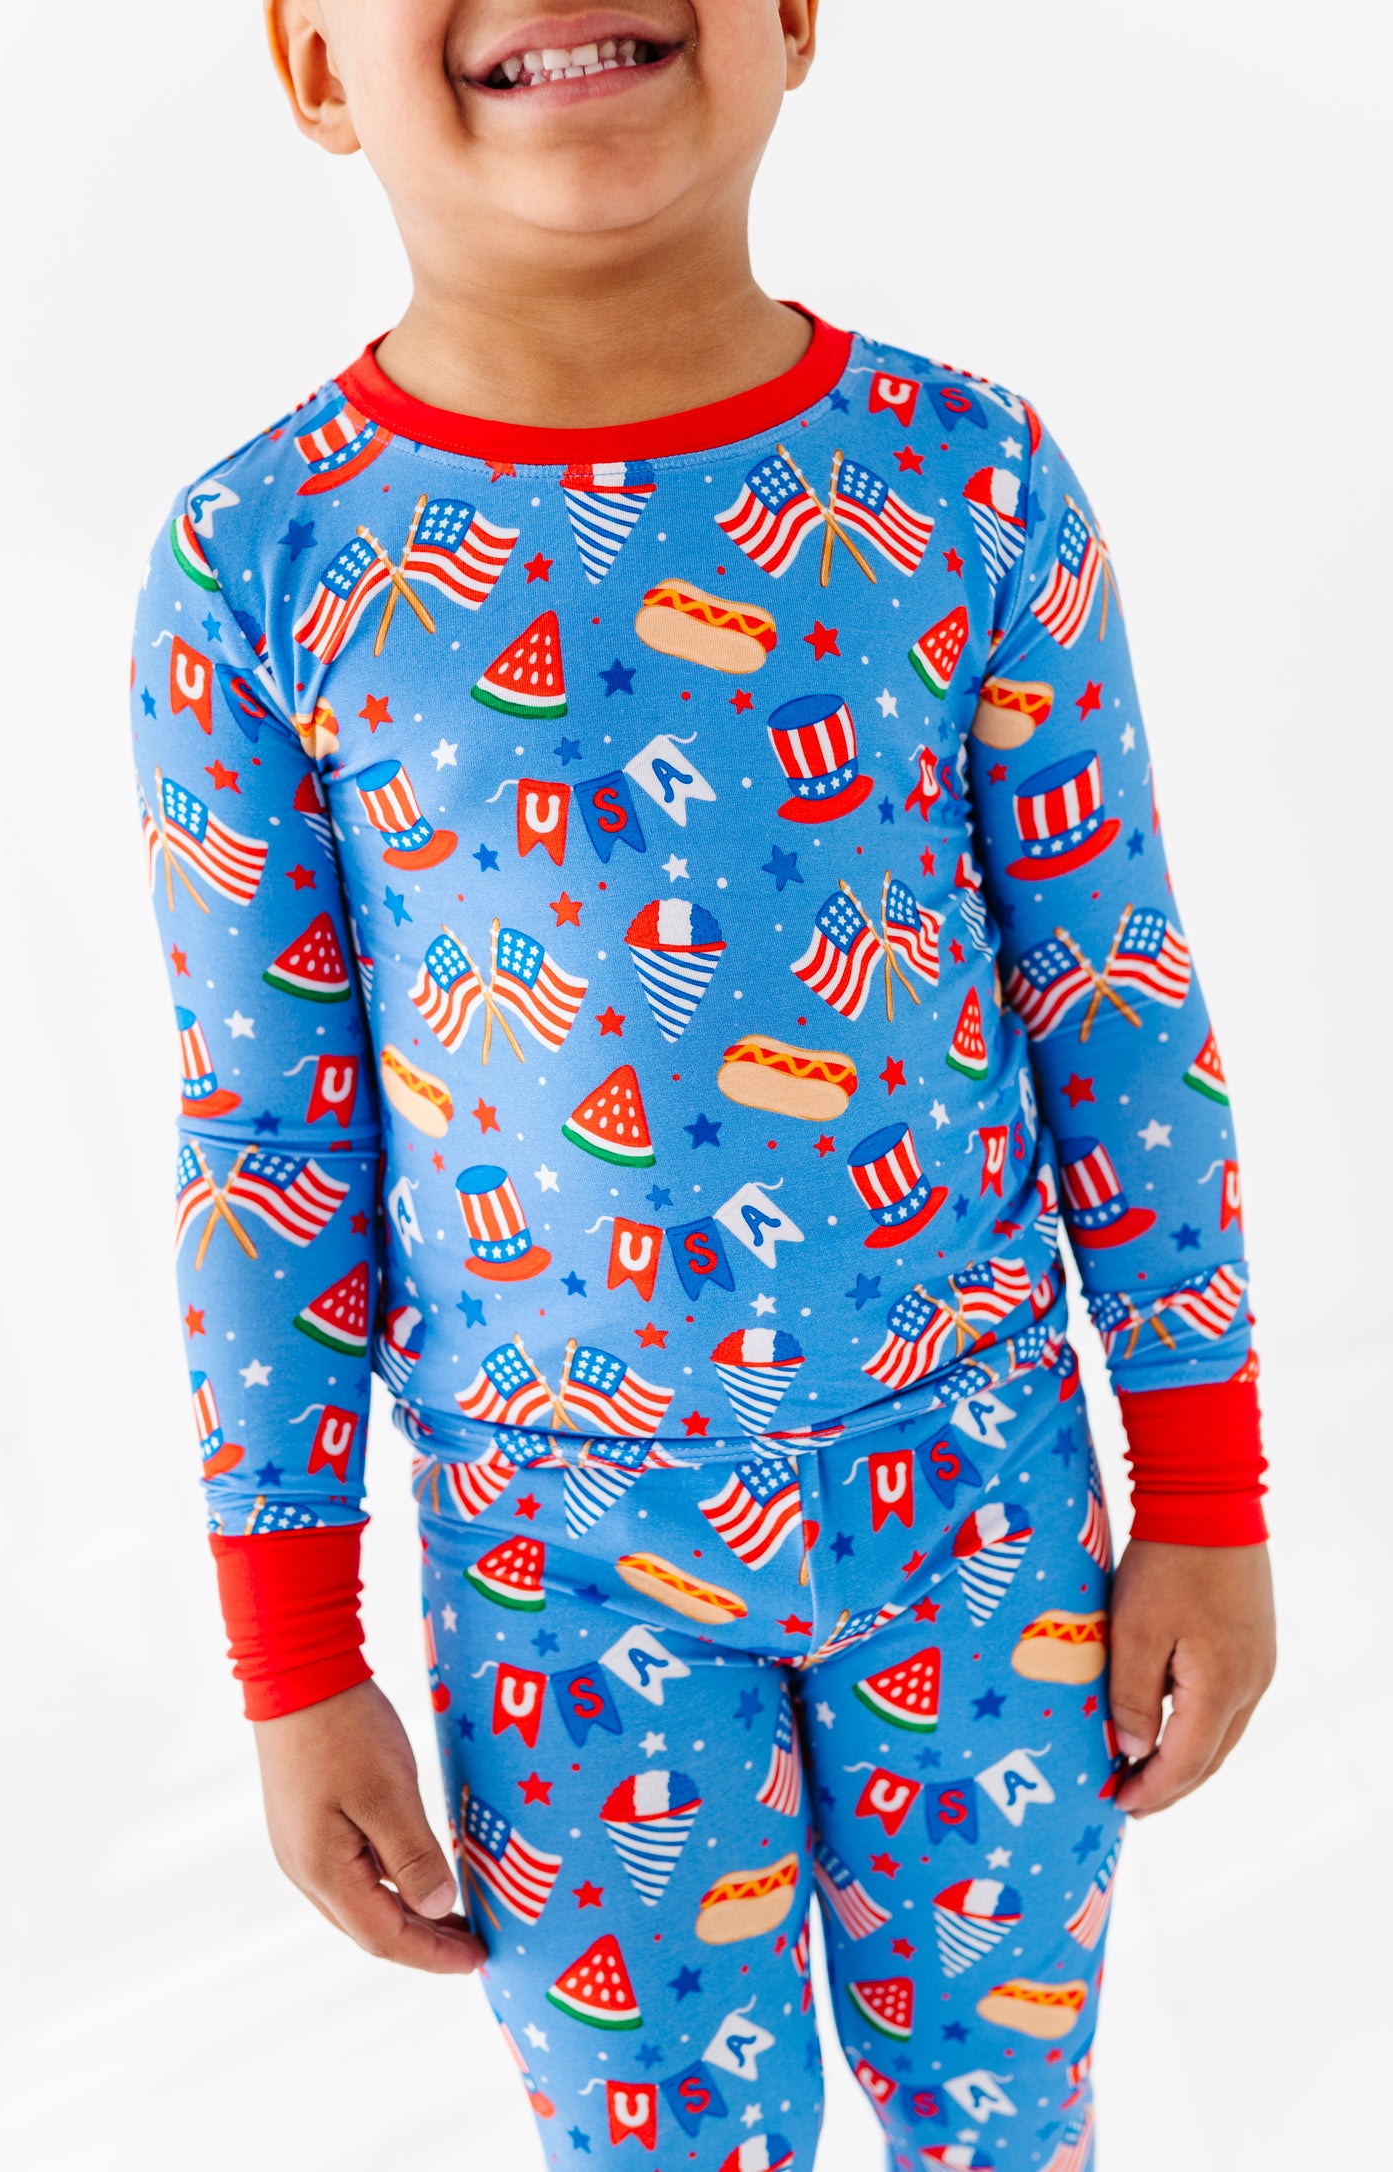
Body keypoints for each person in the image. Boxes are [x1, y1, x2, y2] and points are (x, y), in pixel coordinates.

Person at [127, 5, 1275, 2163]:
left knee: (1007, 2117)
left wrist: (1205, 1489)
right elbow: (265, 1141)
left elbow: (1113, 1002)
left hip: (985, 1504)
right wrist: (294, 1650)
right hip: (550, 1571)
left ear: (793, 19)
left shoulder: (968, 483)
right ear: (312, 67)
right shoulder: (256, 564)